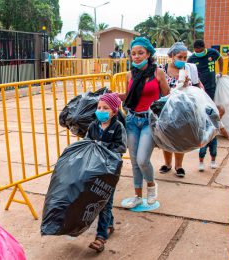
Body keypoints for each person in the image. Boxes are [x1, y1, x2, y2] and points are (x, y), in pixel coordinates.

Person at [119, 37, 170, 209]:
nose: (137, 56)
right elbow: (128, 97)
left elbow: (167, 97)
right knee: (133, 161)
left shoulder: (158, 73)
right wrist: (111, 95)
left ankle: (151, 185)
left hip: (149, 121)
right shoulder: (129, 74)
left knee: (142, 160)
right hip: (132, 120)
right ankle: (137, 196)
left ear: (149, 54)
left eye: (141, 53)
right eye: (133, 54)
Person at [87, 93, 127, 253]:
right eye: (99, 108)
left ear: (114, 111)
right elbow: (86, 142)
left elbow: (122, 147)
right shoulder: (93, 126)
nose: (101, 111)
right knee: (100, 200)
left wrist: (103, 146)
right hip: (95, 169)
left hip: (110, 172)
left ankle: (101, 237)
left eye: (105, 108)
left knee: (104, 204)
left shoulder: (118, 127)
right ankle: (109, 225)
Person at [159, 42, 202, 178]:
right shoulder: (161, 69)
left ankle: (179, 165)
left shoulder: (189, 69)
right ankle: (167, 163)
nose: (183, 60)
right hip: (166, 108)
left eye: (185, 57)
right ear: (172, 56)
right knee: (166, 136)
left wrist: (187, 86)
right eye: (180, 57)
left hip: (184, 108)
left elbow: (197, 88)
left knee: (181, 137)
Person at [199, 105, 229, 171]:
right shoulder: (206, 119)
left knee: (214, 151)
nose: (221, 117)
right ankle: (201, 163)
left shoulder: (218, 122)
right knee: (202, 151)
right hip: (205, 139)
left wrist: (228, 137)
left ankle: (213, 162)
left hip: (213, 139)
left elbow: (222, 129)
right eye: (220, 115)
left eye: (222, 116)